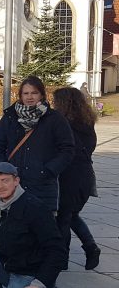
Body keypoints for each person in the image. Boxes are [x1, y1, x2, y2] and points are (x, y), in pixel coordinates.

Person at [0, 76, 74, 212]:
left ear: (41, 95)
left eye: (34, 93)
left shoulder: (55, 118)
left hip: (42, 184)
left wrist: (49, 170)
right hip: (13, 183)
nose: (30, 97)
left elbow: (67, 149)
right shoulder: (10, 117)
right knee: (13, 227)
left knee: (42, 228)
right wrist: (3, 170)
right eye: (26, 93)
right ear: (20, 95)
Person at [52, 87, 101, 270]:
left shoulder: (64, 124)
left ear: (63, 103)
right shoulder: (87, 123)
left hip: (69, 176)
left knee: (63, 218)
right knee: (71, 215)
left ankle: (61, 259)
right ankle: (90, 247)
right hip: (86, 176)